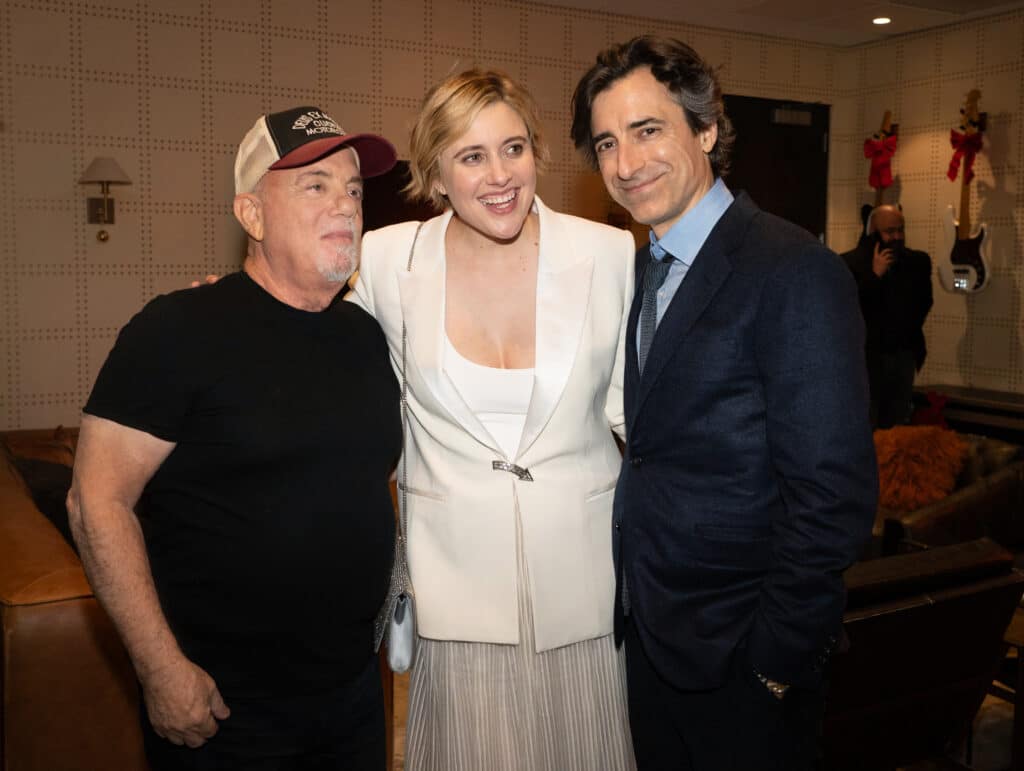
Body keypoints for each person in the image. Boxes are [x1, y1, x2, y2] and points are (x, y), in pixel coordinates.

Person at [571, 37, 878, 771]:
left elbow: (832, 495)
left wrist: (772, 662)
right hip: (654, 643)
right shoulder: (643, 266)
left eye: (648, 131)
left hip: (744, 664)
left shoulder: (793, 269)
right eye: (608, 142)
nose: (625, 162)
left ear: (706, 130)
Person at [66, 106, 401, 771]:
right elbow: (95, 501)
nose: (345, 204)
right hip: (221, 711)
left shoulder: (366, 335)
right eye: (315, 185)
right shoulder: (176, 331)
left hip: (354, 697)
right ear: (251, 215)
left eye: (354, 188)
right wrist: (161, 669)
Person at [348, 68, 637, 770]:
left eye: (514, 148)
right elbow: (317, 349)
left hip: (585, 591)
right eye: (472, 156)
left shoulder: (610, 253)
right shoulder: (388, 260)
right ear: (437, 175)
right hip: (456, 598)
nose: (500, 174)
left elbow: (643, 419)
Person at [841, 204, 933, 428]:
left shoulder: (917, 262)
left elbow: (924, 302)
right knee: (868, 421)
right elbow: (848, 308)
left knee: (898, 423)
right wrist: (875, 276)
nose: (897, 237)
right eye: (890, 231)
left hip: (902, 354)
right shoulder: (850, 263)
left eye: (901, 230)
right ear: (873, 232)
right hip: (868, 358)